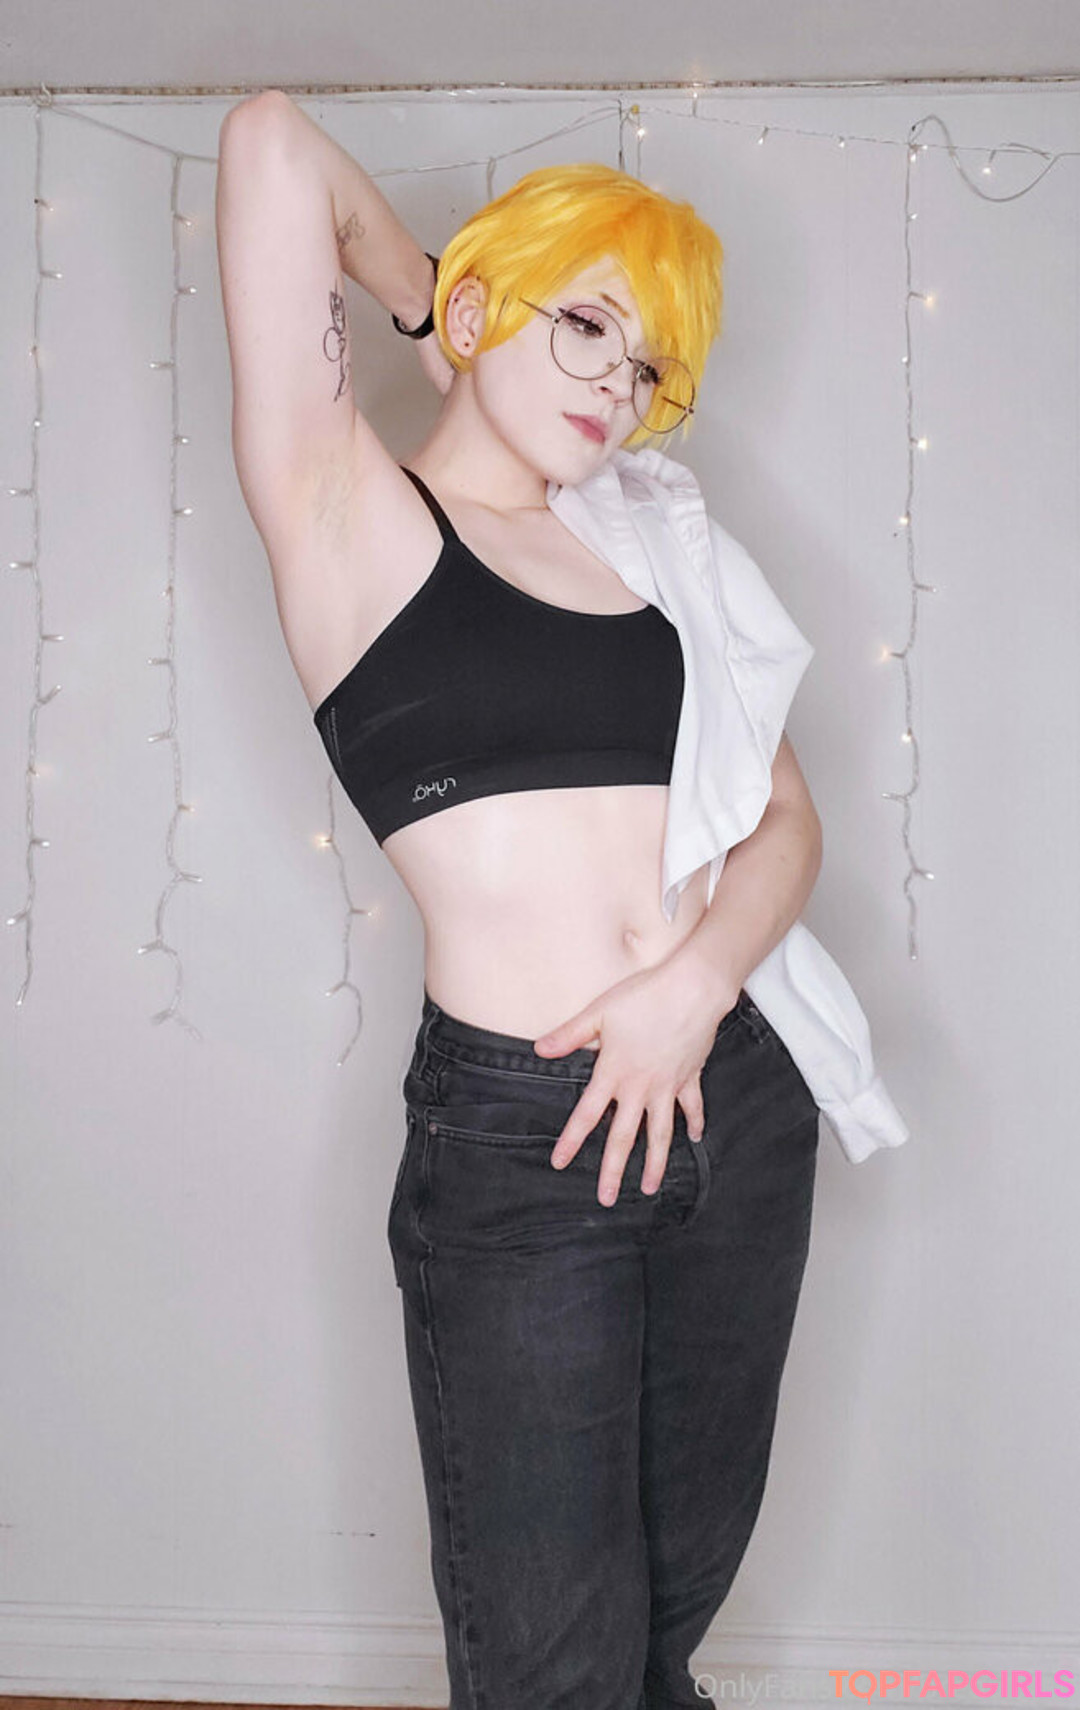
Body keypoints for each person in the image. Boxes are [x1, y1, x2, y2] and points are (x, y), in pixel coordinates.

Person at [216, 89, 860, 1710]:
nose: (615, 386)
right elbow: (272, 144)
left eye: (646, 365)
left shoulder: (653, 551)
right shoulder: (352, 516)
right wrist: (439, 303)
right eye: (586, 323)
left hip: (735, 1092)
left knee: (666, 1615)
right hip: (531, 1138)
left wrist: (694, 987)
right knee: (551, 1660)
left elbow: (789, 824)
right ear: (487, 306)